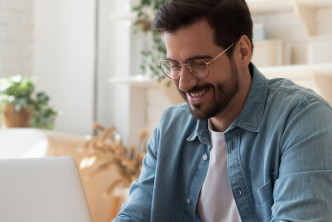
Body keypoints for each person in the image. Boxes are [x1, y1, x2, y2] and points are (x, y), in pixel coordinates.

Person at [113, 0, 332, 221]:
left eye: (198, 64)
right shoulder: (171, 127)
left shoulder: (303, 119)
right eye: (175, 65)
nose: (183, 84)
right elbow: (134, 214)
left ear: (243, 52)